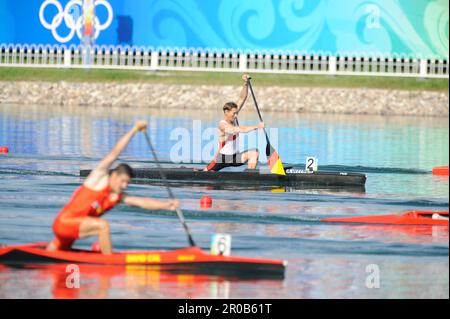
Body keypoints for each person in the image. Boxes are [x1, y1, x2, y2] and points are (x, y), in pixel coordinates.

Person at [47, 121, 179, 254]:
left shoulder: (115, 196)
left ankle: (44, 256)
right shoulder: (98, 178)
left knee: (55, 253)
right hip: (65, 223)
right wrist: (134, 129)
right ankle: (109, 261)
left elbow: (142, 202)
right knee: (102, 226)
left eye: (127, 183)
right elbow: (114, 153)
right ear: (114, 175)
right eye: (122, 181)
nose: (124, 186)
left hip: (72, 228)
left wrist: (167, 205)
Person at [205, 74, 265, 172]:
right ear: (226, 112)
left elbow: (242, 98)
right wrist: (257, 126)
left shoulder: (233, 117)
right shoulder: (222, 125)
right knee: (204, 174)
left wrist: (245, 83)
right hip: (221, 159)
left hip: (234, 157)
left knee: (254, 152)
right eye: (234, 113)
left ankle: (249, 177)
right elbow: (238, 129)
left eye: (237, 113)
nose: (236, 115)